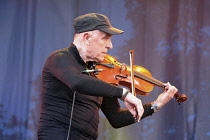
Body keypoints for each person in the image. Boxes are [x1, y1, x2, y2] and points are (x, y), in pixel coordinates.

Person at [37, 13, 178, 140]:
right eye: (106, 38)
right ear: (87, 37)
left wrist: (156, 105)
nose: (110, 46)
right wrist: (124, 93)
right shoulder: (60, 58)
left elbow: (116, 118)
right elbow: (77, 81)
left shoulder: (100, 73)